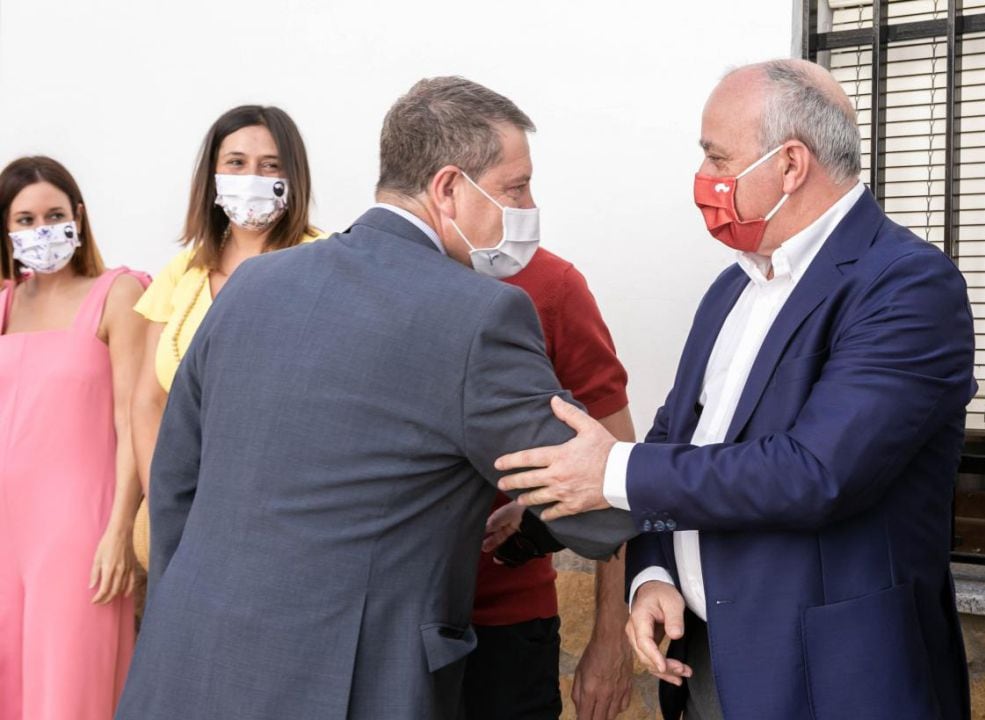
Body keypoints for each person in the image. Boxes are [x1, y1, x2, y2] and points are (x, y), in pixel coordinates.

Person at [114, 76, 634, 720]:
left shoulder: (252, 283)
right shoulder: (480, 315)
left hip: (187, 665)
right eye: (515, 187)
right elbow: (599, 509)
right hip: (348, 679)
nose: (528, 206)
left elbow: (173, 480)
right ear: (448, 188)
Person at [498, 58, 977, 720]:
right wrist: (655, 570)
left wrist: (610, 469)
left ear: (790, 164)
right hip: (703, 664)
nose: (705, 180)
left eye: (718, 159)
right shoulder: (734, 287)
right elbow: (676, 443)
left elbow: (816, 473)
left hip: (834, 681)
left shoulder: (907, 287)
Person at [130, 105, 325, 570]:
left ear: (293, 176)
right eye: (236, 163)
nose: (251, 176)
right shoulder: (181, 274)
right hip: (180, 520)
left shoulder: (325, 261)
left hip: (280, 519)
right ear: (212, 176)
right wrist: (167, 501)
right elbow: (147, 402)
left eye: (270, 165)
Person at [0, 156, 149, 720]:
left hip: (76, 533)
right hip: (4, 532)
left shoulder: (117, 294)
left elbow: (132, 419)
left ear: (78, 217)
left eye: (54, 215)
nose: (42, 231)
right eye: (25, 219)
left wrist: (119, 534)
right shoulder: (5, 303)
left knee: (67, 692)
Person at [465, 246, 636, 720]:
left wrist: (608, 636)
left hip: (507, 625)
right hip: (396, 630)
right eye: (514, 189)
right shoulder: (379, 276)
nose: (525, 208)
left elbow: (617, 471)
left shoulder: (554, 285)